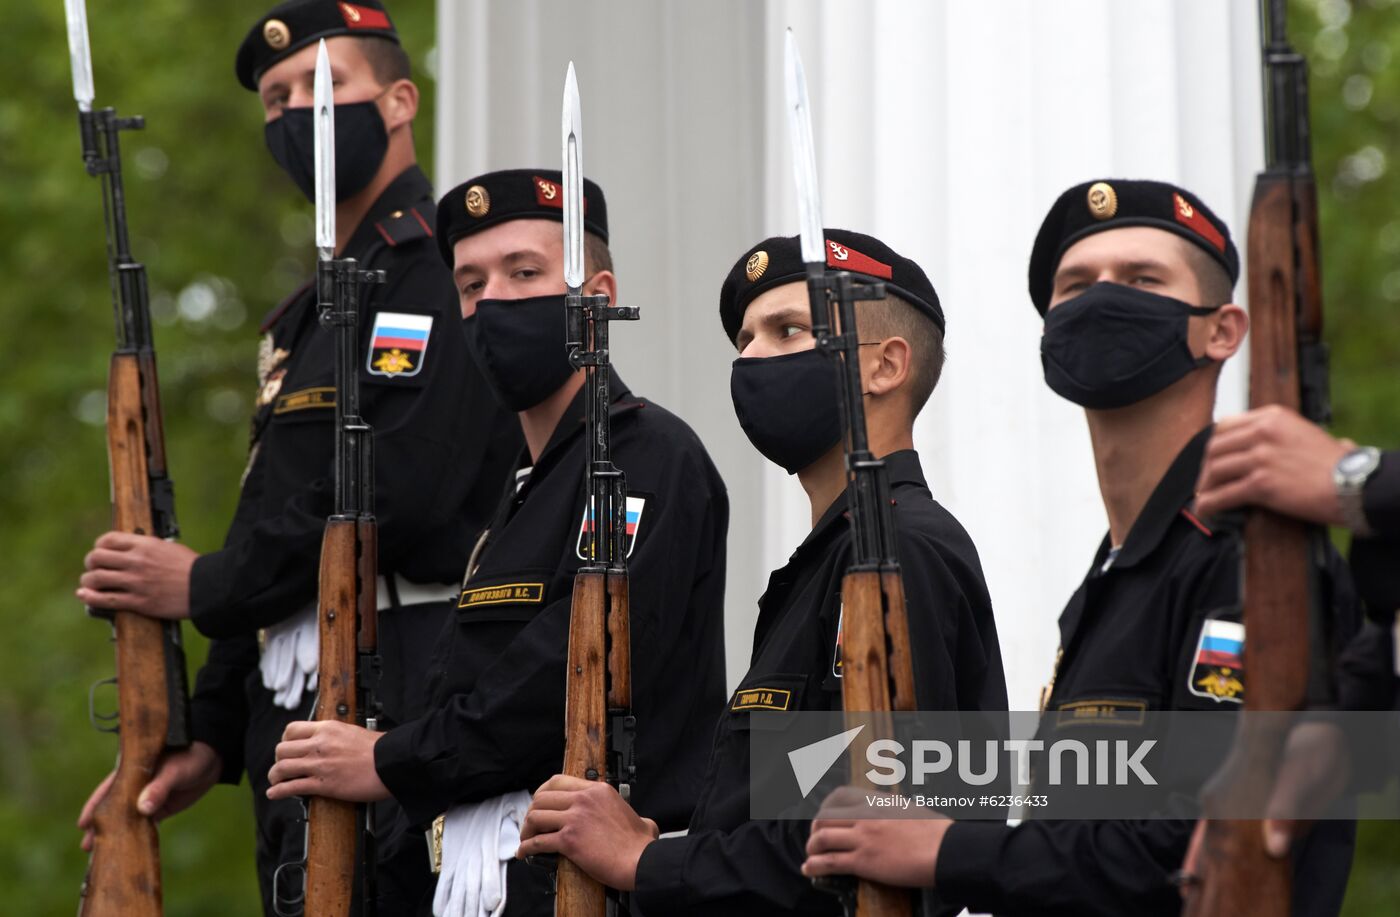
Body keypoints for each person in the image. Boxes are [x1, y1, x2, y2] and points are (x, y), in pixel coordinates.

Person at [803, 179, 1361, 916]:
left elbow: (1198, 842)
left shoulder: (1247, 557)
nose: (1101, 299)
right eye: (1076, 285)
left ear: (1221, 330)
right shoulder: (1116, 575)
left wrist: (943, 847)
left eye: (1141, 279)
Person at [75, 2, 520, 912]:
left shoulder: (442, 271)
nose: (294, 113)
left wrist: (203, 585)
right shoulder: (315, 309)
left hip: (403, 680)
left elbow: (402, 489)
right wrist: (215, 720)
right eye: (275, 98)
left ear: (399, 101)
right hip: (298, 701)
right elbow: (274, 508)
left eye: (322, 87)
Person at [264, 169, 730, 916]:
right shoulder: (518, 488)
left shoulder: (646, 457)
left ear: (598, 297)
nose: (495, 302)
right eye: (473, 284)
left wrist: (387, 760)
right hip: (480, 877)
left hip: (586, 882)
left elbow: (561, 675)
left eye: (525, 273)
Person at [514, 229, 1008, 916]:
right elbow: (791, 818)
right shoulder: (824, 565)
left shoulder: (903, 552)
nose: (751, 357)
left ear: (886, 365)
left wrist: (645, 858)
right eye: (745, 338)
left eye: (787, 331)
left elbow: (866, 827)